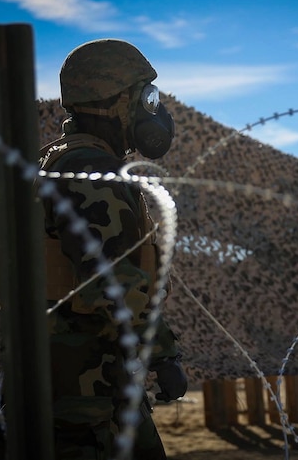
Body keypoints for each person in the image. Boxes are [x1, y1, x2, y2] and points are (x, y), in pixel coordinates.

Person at [39, 38, 187, 459]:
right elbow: (114, 281)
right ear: (116, 102)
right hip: (85, 393)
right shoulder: (90, 170)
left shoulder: (62, 160)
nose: (153, 109)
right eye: (147, 96)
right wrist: (163, 353)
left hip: (86, 379)